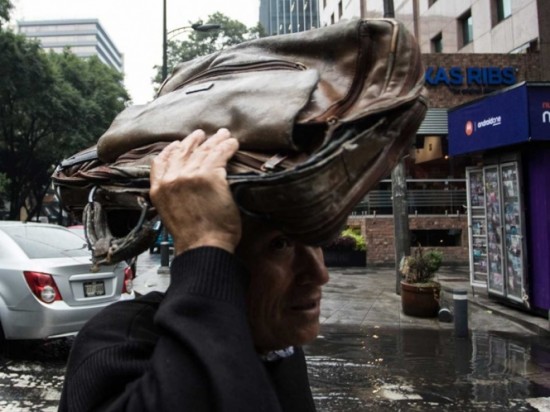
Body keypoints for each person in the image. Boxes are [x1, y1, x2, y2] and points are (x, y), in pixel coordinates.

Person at [59, 128, 330, 412]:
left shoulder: (278, 341)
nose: (319, 274)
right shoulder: (117, 341)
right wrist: (205, 242)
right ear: (218, 252)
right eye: (280, 245)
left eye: (317, 239)